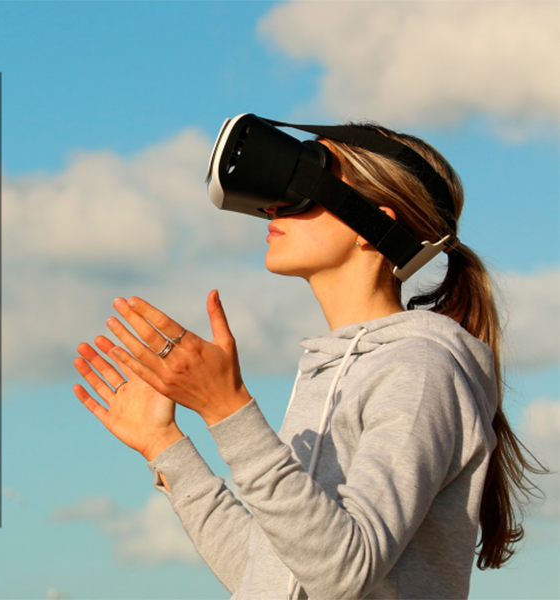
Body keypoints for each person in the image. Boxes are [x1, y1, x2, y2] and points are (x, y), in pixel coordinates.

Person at [72, 124, 546, 599]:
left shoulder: (421, 371)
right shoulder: (326, 371)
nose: (273, 206)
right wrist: (165, 446)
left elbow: (345, 572)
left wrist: (227, 409)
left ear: (372, 225)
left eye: (303, 184)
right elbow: (269, 577)